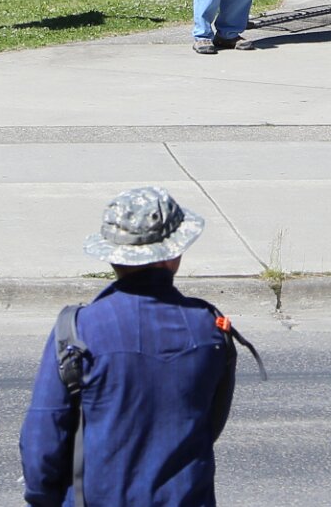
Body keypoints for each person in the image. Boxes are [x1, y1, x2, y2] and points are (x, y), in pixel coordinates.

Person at [20, 186, 251, 507]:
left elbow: (43, 439)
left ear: (112, 255)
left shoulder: (78, 330)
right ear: (174, 255)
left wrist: (43, 499)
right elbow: (210, 424)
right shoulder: (209, 329)